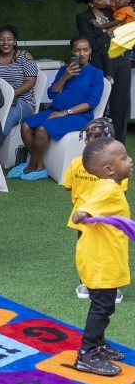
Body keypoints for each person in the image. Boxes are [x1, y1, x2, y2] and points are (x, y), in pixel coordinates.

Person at [70, 138, 132, 376]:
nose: (130, 160)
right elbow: (89, 207)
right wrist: (82, 213)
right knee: (102, 306)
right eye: (125, 158)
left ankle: (99, 344)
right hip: (101, 260)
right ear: (109, 170)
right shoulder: (108, 189)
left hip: (102, 256)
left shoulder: (109, 187)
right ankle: (88, 354)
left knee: (103, 305)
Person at [17, 37, 104, 180]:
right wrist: (64, 77)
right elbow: (51, 93)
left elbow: (91, 103)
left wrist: (65, 113)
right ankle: (39, 163)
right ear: (72, 52)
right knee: (26, 126)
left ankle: (31, 166)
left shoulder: (96, 73)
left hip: (79, 116)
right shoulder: (65, 69)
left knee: (41, 129)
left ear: (90, 51)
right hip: (55, 110)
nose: (81, 53)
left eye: (85, 50)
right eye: (77, 50)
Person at [63, 118, 126, 300]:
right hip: (109, 220)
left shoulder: (76, 163)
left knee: (85, 251)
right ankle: (112, 289)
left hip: (83, 219)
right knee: (111, 252)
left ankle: (85, 285)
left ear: (86, 141)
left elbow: (67, 186)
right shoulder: (117, 167)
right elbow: (122, 191)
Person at [75, 0, 129, 145]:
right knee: (100, 104)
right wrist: (109, 32)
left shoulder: (113, 12)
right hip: (100, 64)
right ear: (91, 3)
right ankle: (98, 144)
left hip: (121, 60)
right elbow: (93, 44)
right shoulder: (83, 17)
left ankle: (119, 145)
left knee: (120, 105)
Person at [0, 25, 38, 138]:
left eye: (9, 39)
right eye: (1, 39)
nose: (5, 42)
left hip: (22, 102)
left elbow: (30, 81)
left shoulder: (24, 57)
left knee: (4, 122)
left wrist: (9, 95)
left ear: (15, 41)